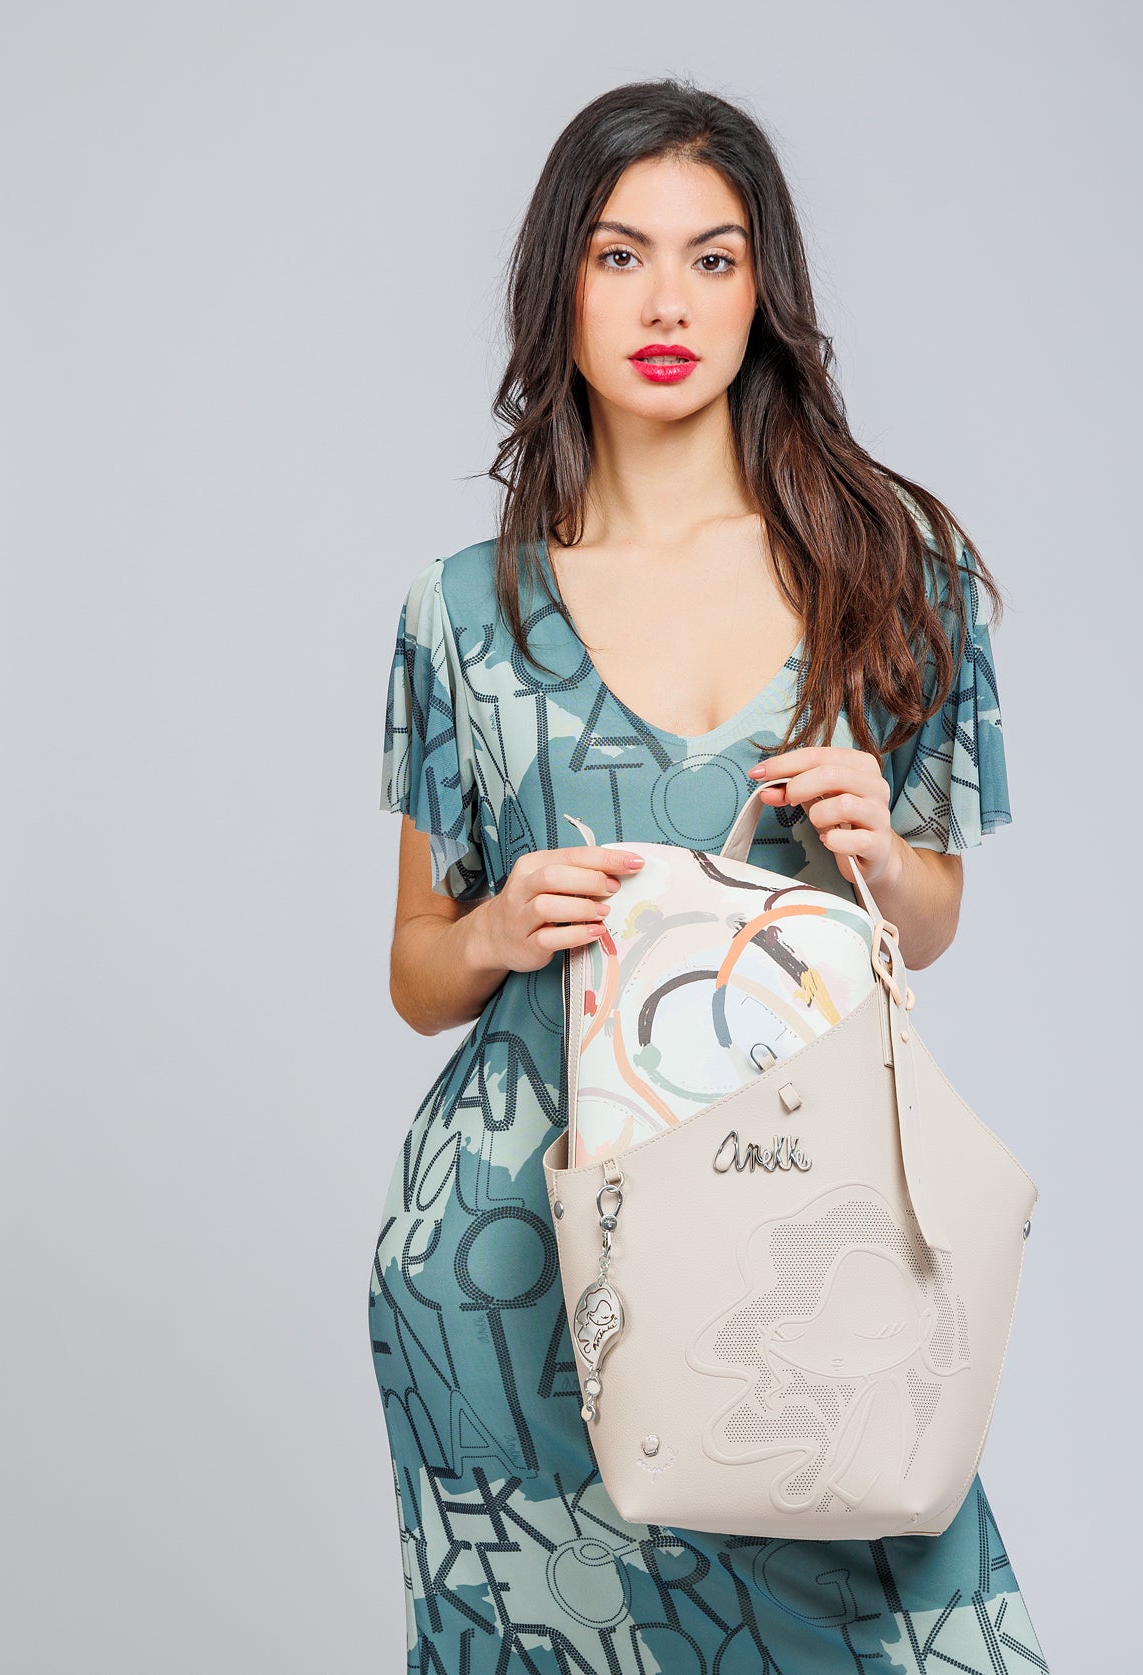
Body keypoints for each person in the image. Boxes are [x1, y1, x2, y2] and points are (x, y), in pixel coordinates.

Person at [369, 76, 1047, 1674]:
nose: (668, 303)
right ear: (560, 288)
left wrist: (878, 850)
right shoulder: (460, 615)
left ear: (765, 292)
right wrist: (494, 926)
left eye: (713, 258)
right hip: (516, 1244)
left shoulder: (894, 571)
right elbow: (413, 972)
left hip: (793, 1238)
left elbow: (932, 923)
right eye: (621, 256)